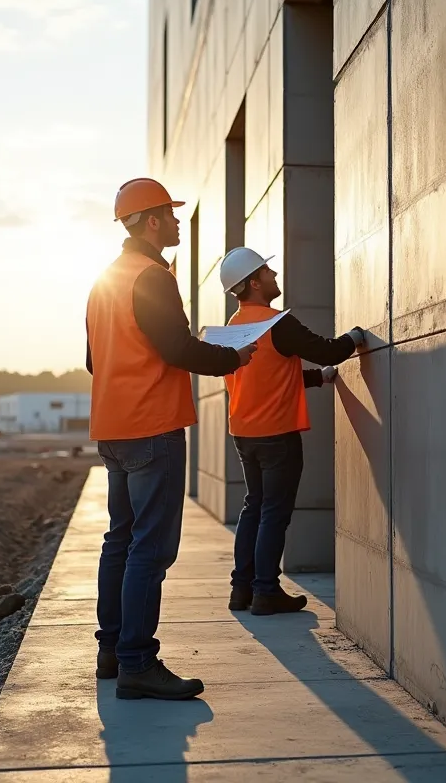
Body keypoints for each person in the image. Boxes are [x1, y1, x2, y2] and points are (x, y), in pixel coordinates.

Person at [86, 178, 257, 701]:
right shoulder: (153, 277)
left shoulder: (105, 282)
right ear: (152, 221)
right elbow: (178, 349)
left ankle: (113, 651)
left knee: (120, 540)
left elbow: (94, 361)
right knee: (151, 548)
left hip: (114, 430)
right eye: (171, 213)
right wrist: (233, 357)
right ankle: (138, 662)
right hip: (152, 428)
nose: (179, 221)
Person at [218, 246, 365, 615]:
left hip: (245, 433)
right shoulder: (276, 323)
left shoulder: (233, 328)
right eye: (267, 271)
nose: (274, 275)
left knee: (254, 506)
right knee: (273, 512)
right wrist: (356, 335)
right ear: (254, 283)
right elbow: (329, 350)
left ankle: (242, 589)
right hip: (277, 435)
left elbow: (266, 377)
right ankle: (266, 591)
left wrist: (318, 378)